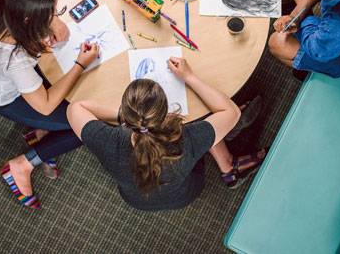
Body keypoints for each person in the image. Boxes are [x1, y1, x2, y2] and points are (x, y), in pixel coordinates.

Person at [66, 57, 267, 211]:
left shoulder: (107, 141)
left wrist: (127, 118)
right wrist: (189, 77)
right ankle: (228, 161)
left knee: (202, 129)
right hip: (185, 194)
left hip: (136, 201)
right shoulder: (185, 140)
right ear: (165, 113)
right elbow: (231, 112)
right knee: (198, 119)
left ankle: (223, 143)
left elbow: (75, 108)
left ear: (127, 115)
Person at [0, 0, 100, 209]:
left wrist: (53, 22)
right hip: (9, 98)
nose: (56, 17)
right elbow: (45, 104)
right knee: (86, 124)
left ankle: (41, 132)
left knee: (67, 108)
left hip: (27, 81)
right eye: (50, 14)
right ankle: (22, 164)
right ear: (28, 21)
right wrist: (79, 64)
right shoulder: (14, 60)